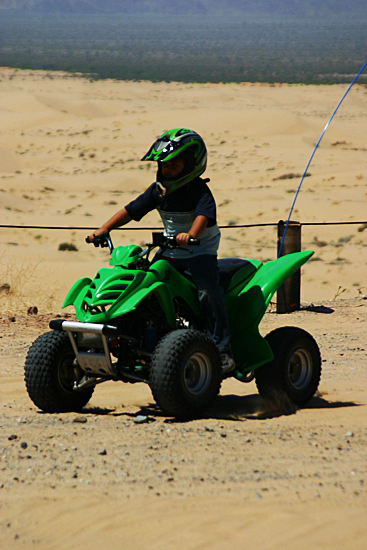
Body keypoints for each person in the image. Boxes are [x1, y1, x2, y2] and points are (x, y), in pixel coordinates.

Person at [89, 128, 235, 373]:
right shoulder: (158, 191)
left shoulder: (200, 191)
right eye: (163, 165)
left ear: (191, 166)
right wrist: (104, 228)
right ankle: (138, 337)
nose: (166, 170)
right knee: (145, 284)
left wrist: (190, 236)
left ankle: (222, 350)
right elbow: (131, 210)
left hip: (199, 253)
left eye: (173, 165)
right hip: (169, 252)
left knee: (207, 292)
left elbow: (203, 217)